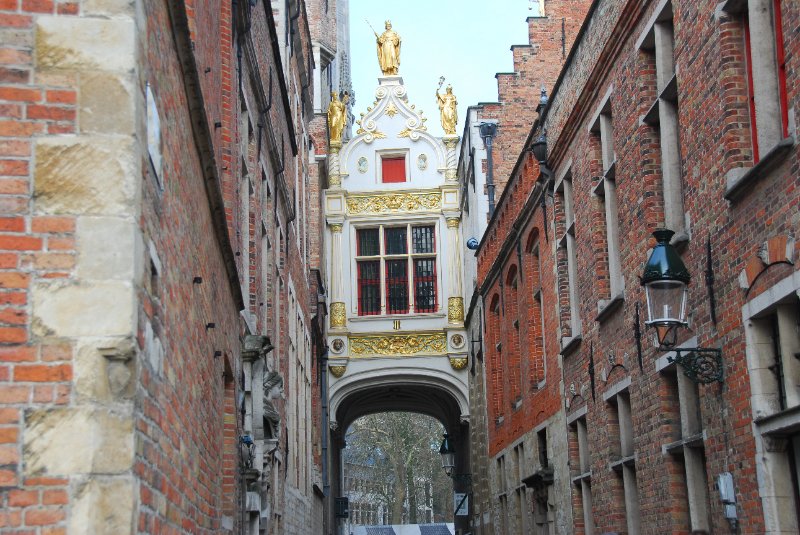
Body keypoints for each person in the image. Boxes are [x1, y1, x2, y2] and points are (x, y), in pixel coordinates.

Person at [262, 371, 283, 439]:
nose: (281, 390)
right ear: (270, 387)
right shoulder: (264, 405)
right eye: (279, 387)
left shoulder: (270, 406)